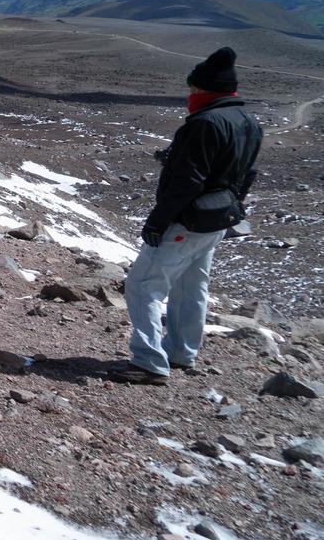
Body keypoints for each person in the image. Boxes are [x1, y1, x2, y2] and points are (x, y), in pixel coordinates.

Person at [112, 47, 263, 386]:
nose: (190, 95)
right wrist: (232, 206)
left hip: (188, 220)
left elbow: (187, 182)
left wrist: (158, 220)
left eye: (194, 89)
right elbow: (245, 173)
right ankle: (181, 351)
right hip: (217, 220)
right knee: (191, 286)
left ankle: (149, 361)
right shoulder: (248, 121)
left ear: (207, 89)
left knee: (143, 286)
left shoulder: (205, 123)